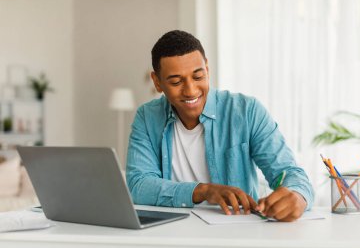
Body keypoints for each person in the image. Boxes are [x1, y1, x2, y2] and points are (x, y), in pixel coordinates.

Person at [126, 30, 314, 222]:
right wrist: (204, 191)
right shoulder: (147, 117)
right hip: (172, 232)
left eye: (198, 77)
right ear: (157, 82)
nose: (190, 90)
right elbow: (139, 186)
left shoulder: (247, 111)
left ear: (207, 69)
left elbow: (290, 173)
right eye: (176, 82)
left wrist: (298, 197)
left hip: (235, 232)